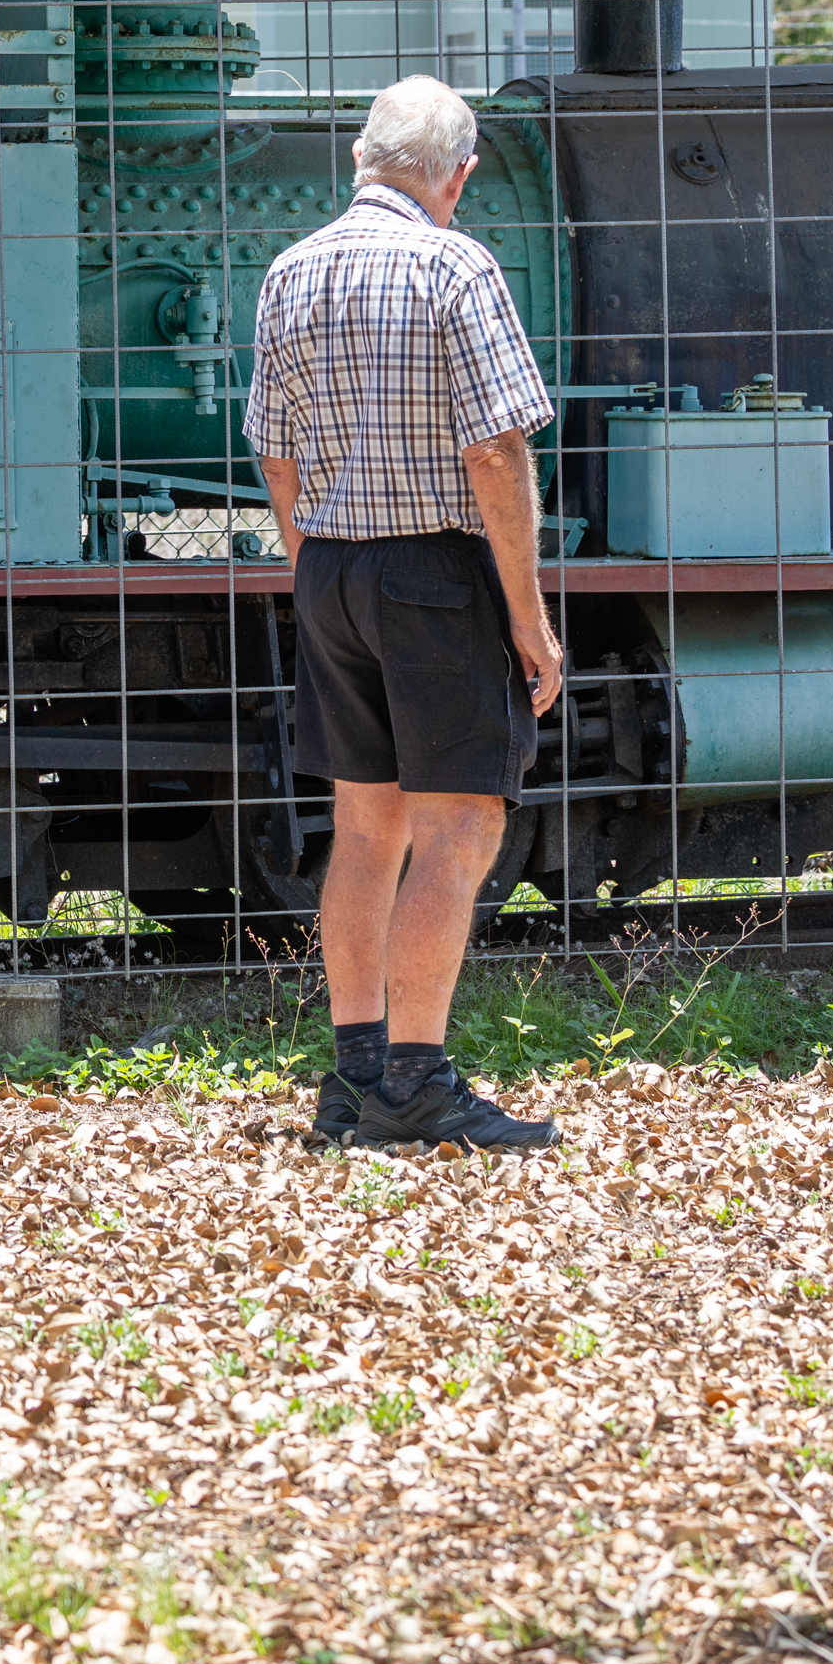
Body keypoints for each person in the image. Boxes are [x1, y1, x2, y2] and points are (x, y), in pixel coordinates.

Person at [248, 76, 567, 1154]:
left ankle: (354, 1073)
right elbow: (494, 448)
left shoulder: (289, 269)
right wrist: (526, 614)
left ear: (360, 159)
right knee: (462, 822)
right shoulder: (454, 263)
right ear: (459, 174)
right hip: (434, 568)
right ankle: (418, 1080)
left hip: (330, 565)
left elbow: (273, 451)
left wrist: (316, 564)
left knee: (365, 825)